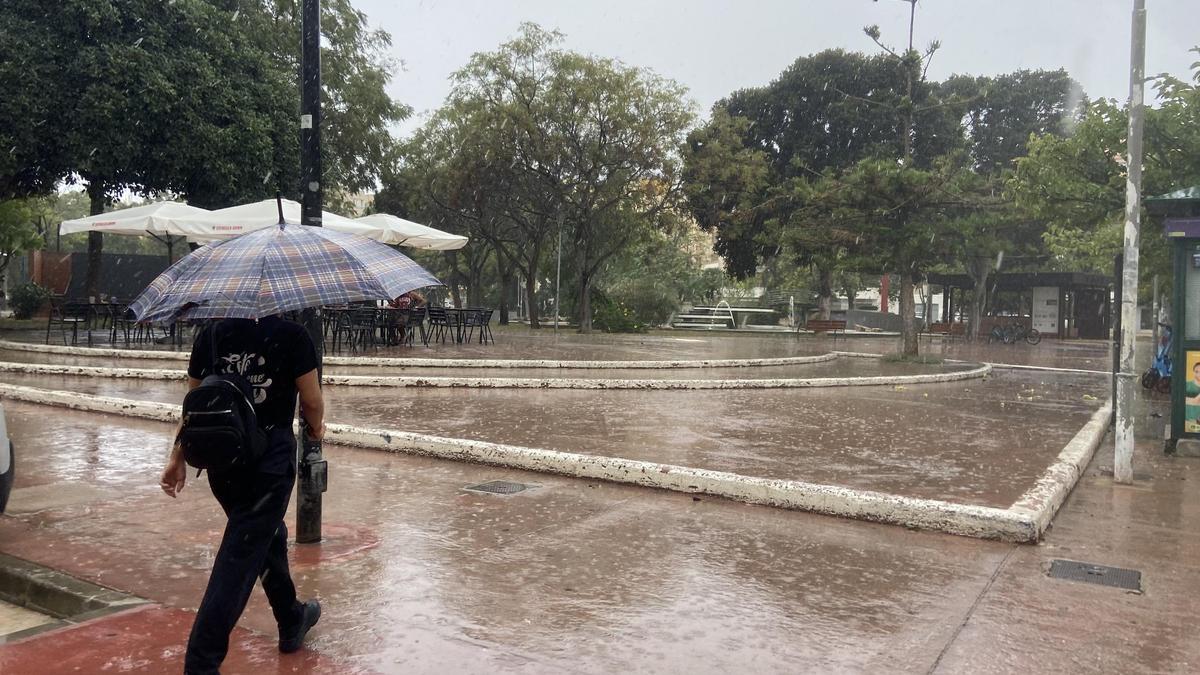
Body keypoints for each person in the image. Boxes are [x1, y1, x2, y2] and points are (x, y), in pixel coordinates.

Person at [160, 314, 326, 674]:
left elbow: (194, 403)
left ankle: (291, 618)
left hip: (225, 462)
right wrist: (316, 429)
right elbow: (311, 402)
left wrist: (177, 456)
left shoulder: (213, 335)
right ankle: (201, 663)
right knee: (238, 559)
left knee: (265, 537)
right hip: (270, 464)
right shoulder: (294, 335)